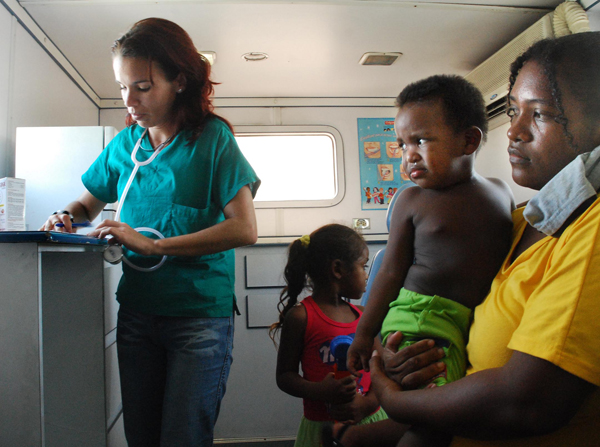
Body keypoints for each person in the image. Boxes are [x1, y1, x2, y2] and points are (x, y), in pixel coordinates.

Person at [327, 32, 600, 447]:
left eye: (540, 114)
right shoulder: (521, 220)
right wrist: (387, 351)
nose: (514, 131)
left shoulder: (587, 230)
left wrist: (391, 396)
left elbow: (527, 403)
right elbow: (401, 281)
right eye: (512, 112)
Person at [40, 18, 260, 447]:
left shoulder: (212, 140)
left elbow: (245, 228)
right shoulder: (126, 145)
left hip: (198, 317)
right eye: (123, 87)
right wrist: (63, 215)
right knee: (141, 436)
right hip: (138, 313)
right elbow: (86, 202)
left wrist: (153, 244)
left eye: (142, 86)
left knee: (183, 436)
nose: (130, 100)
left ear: (179, 81)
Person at [346, 74, 514, 447]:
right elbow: (390, 271)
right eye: (402, 144)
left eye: (420, 140)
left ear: (468, 140)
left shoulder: (500, 193)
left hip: (466, 320)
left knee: (441, 417)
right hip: (422, 317)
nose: (409, 156)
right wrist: (363, 335)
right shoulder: (412, 201)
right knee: (434, 419)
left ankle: (349, 439)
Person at [269, 224, 388, 447]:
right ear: (338, 269)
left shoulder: (364, 317)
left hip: (370, 421)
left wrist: (367, 404)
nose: (366, 275)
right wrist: (320, 391)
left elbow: (382, 371)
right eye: (363, 266)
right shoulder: (301, 318)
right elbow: (285, 376)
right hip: (320, 428)